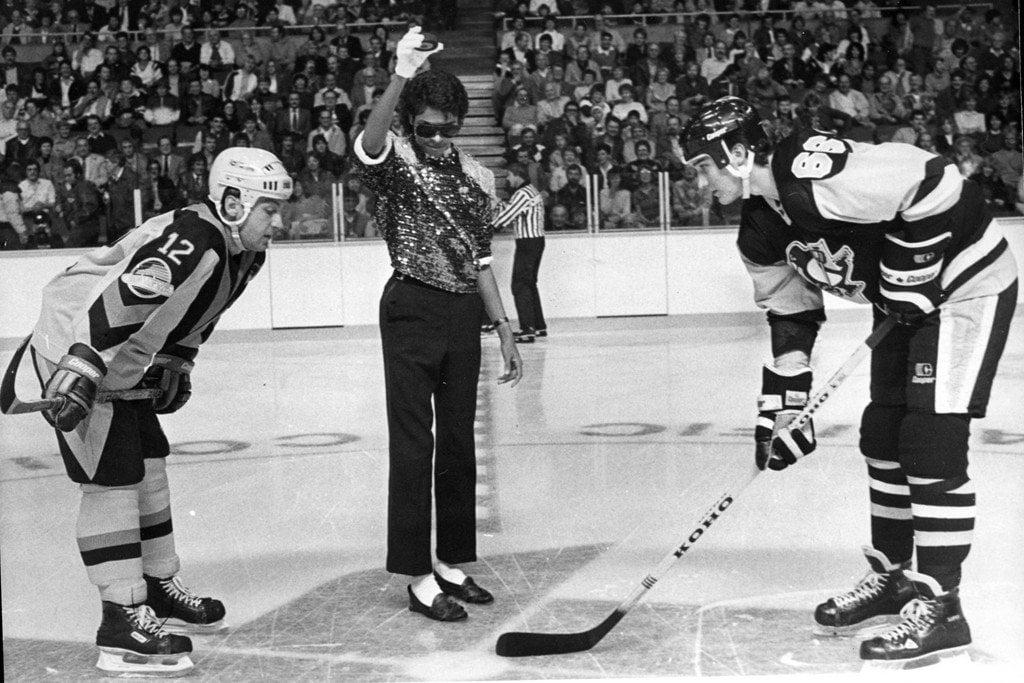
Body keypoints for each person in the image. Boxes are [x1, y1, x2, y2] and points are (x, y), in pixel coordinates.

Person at [680, 97, 1018, 666]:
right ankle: (893, 578)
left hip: (967, 289)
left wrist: (910, 268)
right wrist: (783, 409)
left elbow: (934, 179)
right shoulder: (759, 229)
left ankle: (944, 607)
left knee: (929, 441)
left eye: (703, 166)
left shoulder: (809, 169)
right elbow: (791, 313)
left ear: (737, 153)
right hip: (904, 305)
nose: (699, 182)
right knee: (882, 434)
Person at [19, 147, 292, 676]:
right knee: (111, 477)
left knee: (148, 462)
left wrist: (177, 360)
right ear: (233, 202)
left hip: (119, 352)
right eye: (269, 209)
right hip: (80, 342)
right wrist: (82, 363)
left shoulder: (243, 250)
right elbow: (127, 296)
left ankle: (157, 586)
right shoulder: (197, 236)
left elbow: (200, 311)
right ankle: (120, 621)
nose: (278, 222)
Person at [352, 26, 522, 623]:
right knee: (413, 443)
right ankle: (417, 575)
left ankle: (450, 561)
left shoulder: (478, 176)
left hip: (461, 314)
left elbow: (481, 261)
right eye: (427, 128)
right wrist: (400, 74)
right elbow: (369, 143)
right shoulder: (395, 159)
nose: (440, 139)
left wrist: (504, 327)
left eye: (450, 128)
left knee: (457, 442)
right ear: (411, 123)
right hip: (410, 308)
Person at [491, 164, 547, 343]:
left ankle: (527, 329)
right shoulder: (530, 191)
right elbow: (512, 210)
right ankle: (538, 325)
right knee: (529, 283)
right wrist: (499, 204)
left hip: (527, 243)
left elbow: (506, 217)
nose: (508, 179)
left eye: (509, 175)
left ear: (517, 175)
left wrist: (488, 228)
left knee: (520, 285)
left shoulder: (522, 194)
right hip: (535, 241)